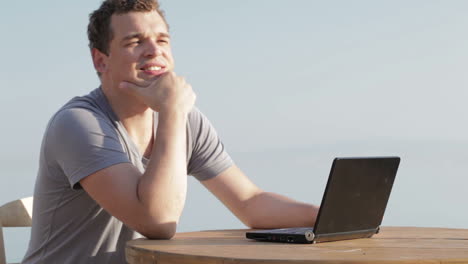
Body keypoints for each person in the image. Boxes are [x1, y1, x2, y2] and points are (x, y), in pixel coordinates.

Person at [22, 0, 319, 263]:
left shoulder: (183, 119)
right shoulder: (79, 123)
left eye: (162, 40)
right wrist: (172, 112)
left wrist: (332, 217)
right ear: (101, 60)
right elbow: (158, 222)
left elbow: (250, 203)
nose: (154, 51)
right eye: (134, 42)